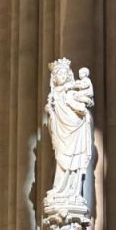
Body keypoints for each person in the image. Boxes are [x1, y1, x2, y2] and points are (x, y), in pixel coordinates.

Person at [45, 59, 93, 200]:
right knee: (61, 159)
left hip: (75, 128)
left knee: (75, 162)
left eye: (65, 73)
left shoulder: (71, 92)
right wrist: (51, 113)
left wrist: (81, 107)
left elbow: (82, 107)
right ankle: (59, 189)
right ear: (54, 78)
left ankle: (73, 191)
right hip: (62, 131)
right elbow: (52, 121)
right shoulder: (52, 95)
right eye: (60, 74)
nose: (63, 76)